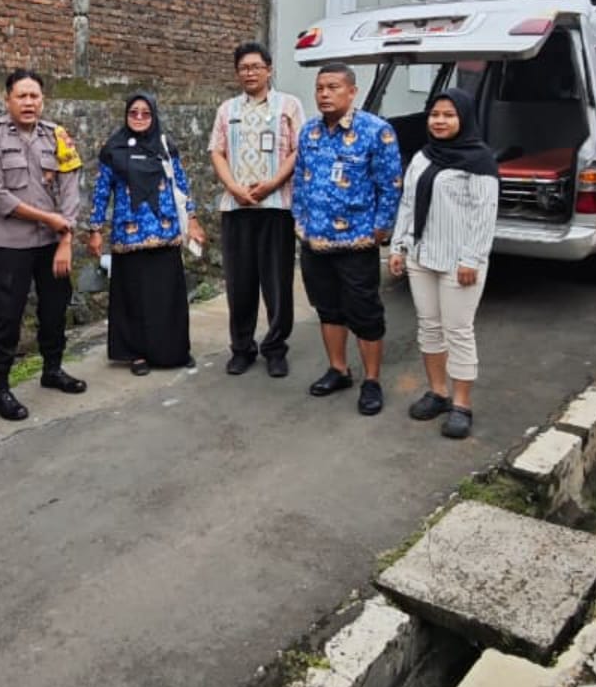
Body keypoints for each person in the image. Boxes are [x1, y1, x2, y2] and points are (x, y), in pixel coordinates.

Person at [0, 69, 87, 421]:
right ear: (7, 99)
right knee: (5, 318)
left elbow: (71, 188)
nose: (28, 103)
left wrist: (65, 237)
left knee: (55, 310)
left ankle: (52, 370)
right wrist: (49, 219)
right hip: (11, 246)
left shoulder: (57, 135)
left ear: (43, 100)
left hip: (52, 244)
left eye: (34, 96)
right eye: (21, 96)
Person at [389, 88, 499, 439]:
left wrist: (472, 258)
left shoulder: (480, 161)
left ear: (463, 119)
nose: (439, 121)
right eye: (434, 114)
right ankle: (438, 392)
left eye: (448, 115)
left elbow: (485, 216)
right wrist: (398, 247)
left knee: (458, 331)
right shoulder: (423, 156)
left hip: (459, 263)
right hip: (422, 257)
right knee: (430, 328)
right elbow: (407, 204)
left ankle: (461, 404)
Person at [292, 63, 402, 416]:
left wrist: (380, 228)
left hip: (357, 242)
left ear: (352, 91)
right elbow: (299, 181)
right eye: (320, 87)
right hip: (316, 242)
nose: (324, 94)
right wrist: (300, 222)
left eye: (333, 87)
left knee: (365, 311)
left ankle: (372, 381)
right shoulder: (309, 132)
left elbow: (390, 185)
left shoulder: (376, 131)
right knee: (328, 308)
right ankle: (338, 369)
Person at [86, 92, 206, 375]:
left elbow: (181, 186)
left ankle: (174, 350)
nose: (139, 118)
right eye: (133, 113)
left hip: (165, 232)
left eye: (145, 113)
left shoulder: (165, 146)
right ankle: (136, 354)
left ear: (154, 116)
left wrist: (192, 219)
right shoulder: (113, 149)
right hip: (130, 237)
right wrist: (95, 229)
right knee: (133, 297)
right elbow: (102, 191)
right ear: (126, 116)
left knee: (168, 296)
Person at [208, 41, 305, 378]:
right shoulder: (227, 110)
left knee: (277, 282)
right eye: (243, 68)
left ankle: (275, 348)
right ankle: (242, 348)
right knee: (239, 283)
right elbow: (217, 152)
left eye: (255, 66)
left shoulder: (289, 106)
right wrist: (234, 188)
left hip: (276, 207)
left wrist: (272, 184)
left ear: (268, 69)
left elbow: (298, 150)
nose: (249, 72)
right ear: (237, 73)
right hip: (236, 209)